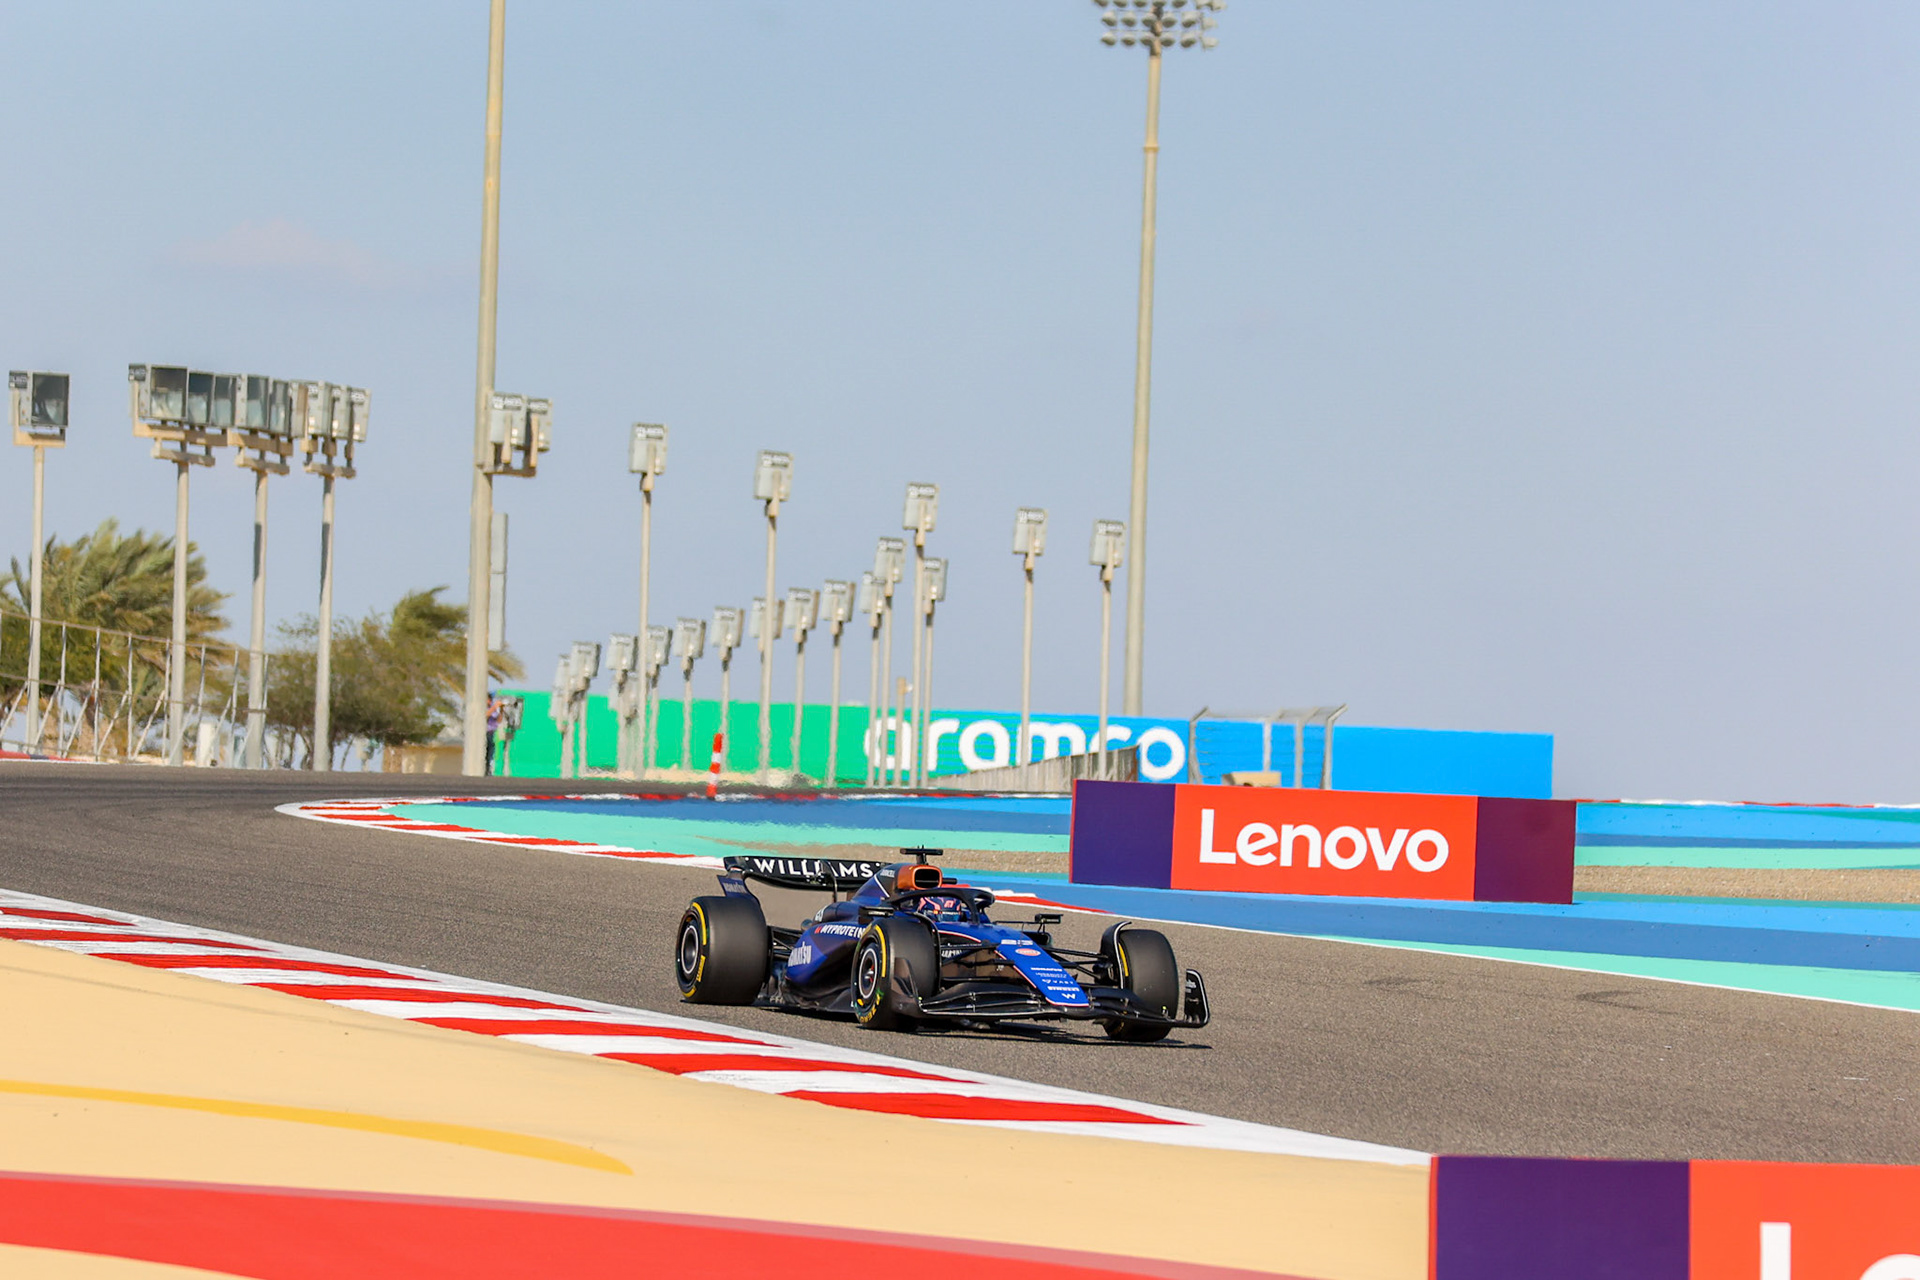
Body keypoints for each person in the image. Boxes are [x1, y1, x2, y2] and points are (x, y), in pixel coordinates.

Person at [484, 693, 505, 776]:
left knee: (490, 753)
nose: (489, 701)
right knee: (484, 752)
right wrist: (495, 706)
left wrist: (502, 710)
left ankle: (488, 770)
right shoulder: (484, 708)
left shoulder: (493, 709)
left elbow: (498, 720)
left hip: (491, 733)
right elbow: (486, 715)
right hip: (484, 733)